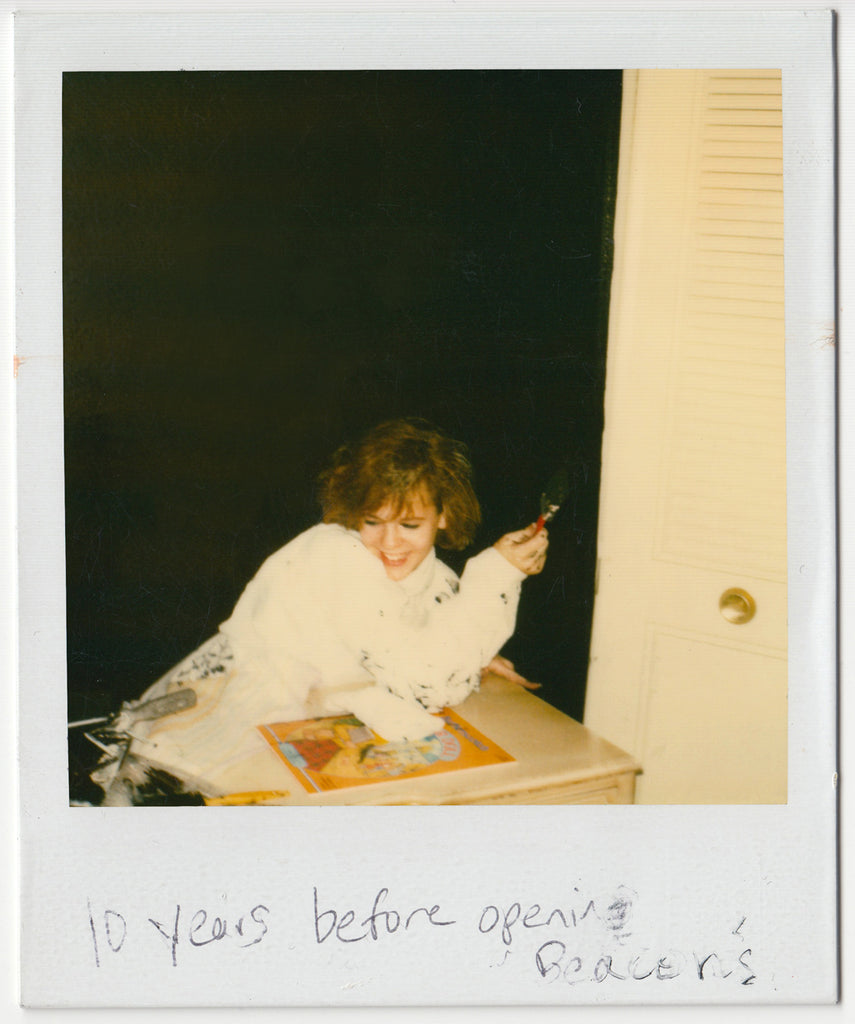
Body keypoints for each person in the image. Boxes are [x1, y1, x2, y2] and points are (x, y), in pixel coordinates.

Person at [92, 418, 548, 801]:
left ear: (444, 515)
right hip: (252, 717)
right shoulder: (335, 555)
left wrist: (475, 655)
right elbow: (426, 681)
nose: (389, 543)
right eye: (373, 522)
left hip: (321, 720)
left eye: (409, 525)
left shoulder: (438, 575)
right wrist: (496, 577)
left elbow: (420, 630)